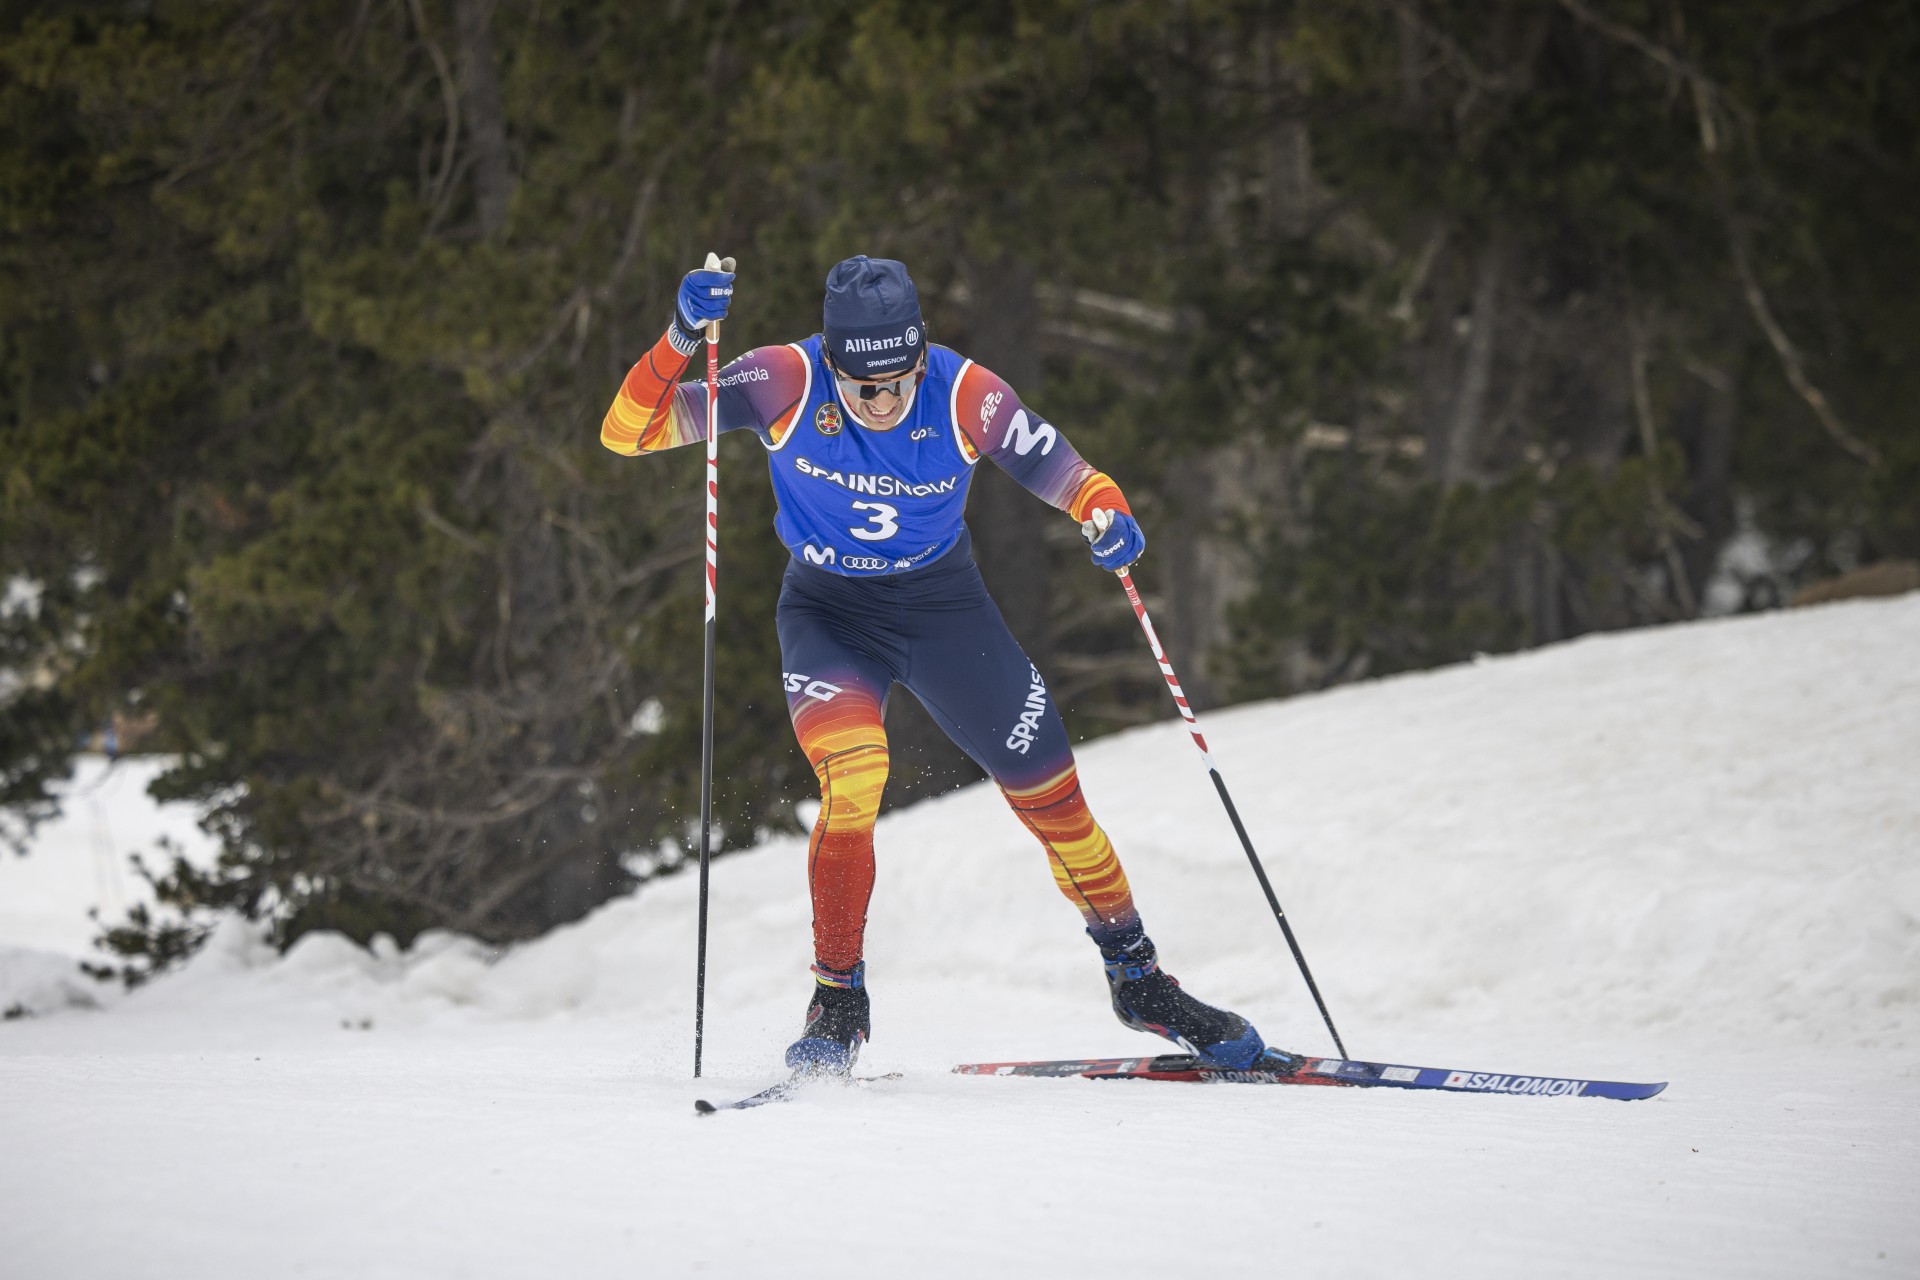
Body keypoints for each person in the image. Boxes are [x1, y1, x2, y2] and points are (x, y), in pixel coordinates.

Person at [601, 255, 1265, 1074]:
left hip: (944, 611)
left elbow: (1073, 475)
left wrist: (1108, 516)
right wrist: (678, 337)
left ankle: (1138, 979)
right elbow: (626, 433)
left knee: (1054, 799)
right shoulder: (784, 378)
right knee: (856, 776)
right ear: (833, 362)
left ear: (920, 355)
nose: (880, 402)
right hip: (828, 614)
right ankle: (837, 998)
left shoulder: (965, 395)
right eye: (860, 386)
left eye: (895, 381)